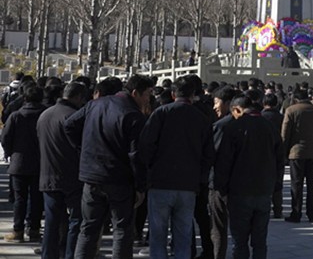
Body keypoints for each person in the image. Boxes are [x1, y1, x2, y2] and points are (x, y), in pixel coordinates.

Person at [65, 74, 154, 259]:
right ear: (135, 93)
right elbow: (136, 155)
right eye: (147, 94)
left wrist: (85, 151)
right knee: (122, 230)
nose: (148, 99)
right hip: (120, 179)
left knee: (88, 228)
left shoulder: (95, 104)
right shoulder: (133, 115)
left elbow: (70, 125)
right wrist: (140, 187)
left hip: (92, 176)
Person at [138, 75, 214, 259]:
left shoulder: (161, 113)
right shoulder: (201, 118)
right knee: (183, 235)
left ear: (173, 94)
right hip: (188, 185)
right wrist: (200, 177)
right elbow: (208, 154)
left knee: (158, 235)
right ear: (193, 95)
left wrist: (149, 169)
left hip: (160, 182)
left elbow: (146, 145)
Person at [215, 96, 285, 259]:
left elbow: (224, 161)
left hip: (239, 190)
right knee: (260, 239)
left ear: (237, 109)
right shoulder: (270, 127)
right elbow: (279, 160)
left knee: (239, 240)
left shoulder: (234, 127)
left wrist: (221, 187)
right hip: (264, 189)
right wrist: (276, 184)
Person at [37, 81, 89, 259]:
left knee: (51, 222)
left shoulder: (45, 115)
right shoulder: (74, 116)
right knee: (76, 220)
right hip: (72, 176)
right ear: (79, 97)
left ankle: (48, 255)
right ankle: (70, 254)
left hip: (47, 175)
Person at [2, 84, 47, 243]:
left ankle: (18, 230)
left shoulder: (16, 116)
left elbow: (5, 138)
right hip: (40, 162)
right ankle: (34, 229)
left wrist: (9, 153)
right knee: (37, 198)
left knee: (19, 199)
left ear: (25, 98)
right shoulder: (45, 114)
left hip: (19, 162)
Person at [282, 88, 313, 223]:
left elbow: (285, 134)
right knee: (312, 185)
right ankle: (312, 213)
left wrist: (283, 152)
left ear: (295, 99)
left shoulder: (291, 110)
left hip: (296, 152)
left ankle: (296, 213)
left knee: (297, 184)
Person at [209, 86, 237, 259]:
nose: (214, 107)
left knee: (218, 227)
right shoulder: (251, 123)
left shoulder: (221, 126)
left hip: (221, 184)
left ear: (227, 103)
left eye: (216, 102)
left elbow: (212, 155)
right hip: (245, 184)